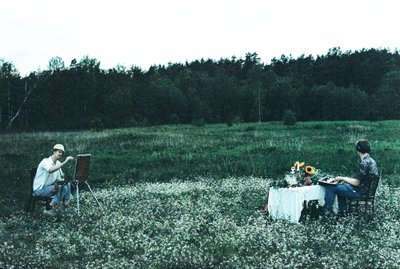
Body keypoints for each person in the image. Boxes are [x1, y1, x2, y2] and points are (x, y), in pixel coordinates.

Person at [322, 139, 379, 217]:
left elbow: (356, 182)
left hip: (360, 192)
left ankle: (327, 212)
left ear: (358, 150)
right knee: (341, 188)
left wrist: (342, 178)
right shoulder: (372, 161)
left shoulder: (364, 163)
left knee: (332, 188)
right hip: (367, 191)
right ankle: (343, 213)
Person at [33, 144, 74, 215]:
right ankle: (49, 208)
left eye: (62, 152)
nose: (60, 154)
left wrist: (63, 182)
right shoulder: (45, 161)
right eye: (59, 151)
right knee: (63, 189)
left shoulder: (58, 163)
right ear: (54, 151)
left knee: (67, 184)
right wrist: (65, 162)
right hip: (40, 189)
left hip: (49, 187)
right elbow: (51, 170)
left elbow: (59, 178)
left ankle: (65, 203)